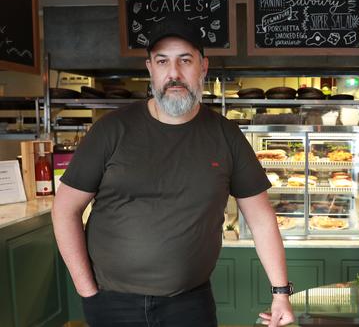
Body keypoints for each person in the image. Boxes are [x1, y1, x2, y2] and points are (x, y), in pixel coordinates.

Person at [51, 17, 295, 327]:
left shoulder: (226, 135)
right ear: (150, 68)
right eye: (163, 61)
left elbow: (261, 218)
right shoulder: (111, 130)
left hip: (189, 303)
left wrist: (280, 293)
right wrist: (86, 291)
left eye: (185, 60)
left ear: (203, 67)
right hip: (111, 303)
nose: (174, 74)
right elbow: (64, 210)